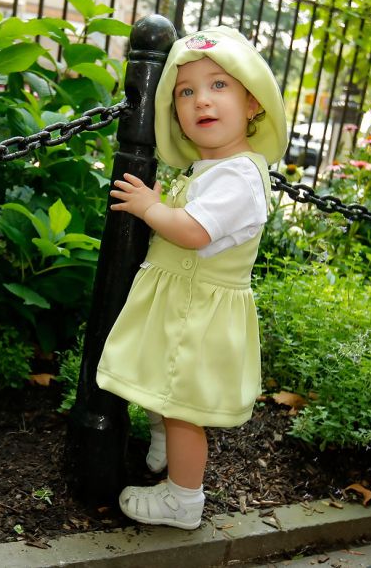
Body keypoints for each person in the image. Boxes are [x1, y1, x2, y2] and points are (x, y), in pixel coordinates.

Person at [96, 26, 288, 530]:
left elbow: (194, 231)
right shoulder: (212, 168)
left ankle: (183, 499)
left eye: (219, 86)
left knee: (184, 406)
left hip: (198, 313)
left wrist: (152, 207)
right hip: (184, 305)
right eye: (186, 91)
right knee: (167, 384)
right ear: (176, 114)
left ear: (253, 104)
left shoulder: (240, 175)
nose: (202, 99)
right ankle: (165, 439)